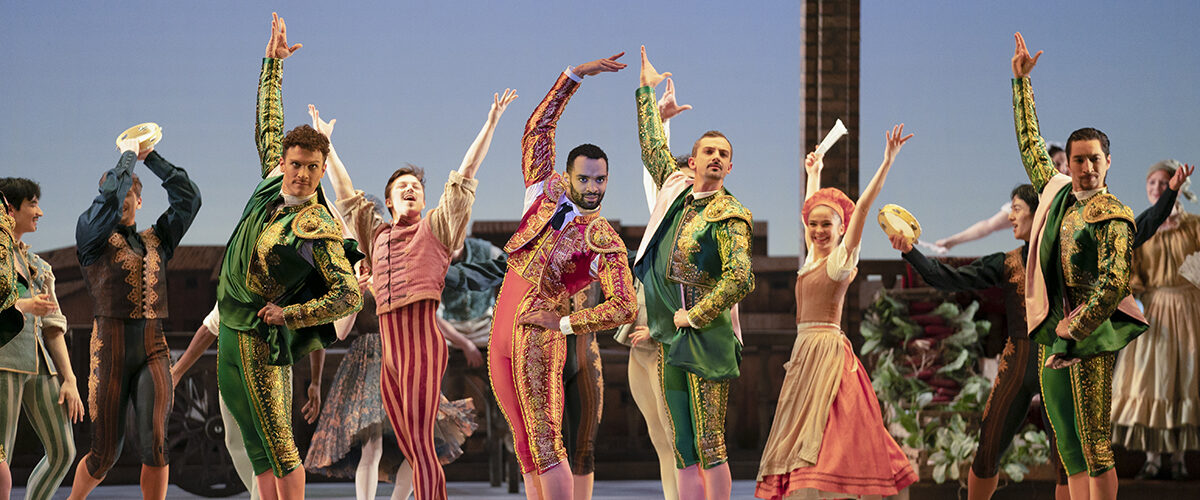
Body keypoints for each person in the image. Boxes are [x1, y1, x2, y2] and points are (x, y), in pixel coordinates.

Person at [319, 82, 514, 499]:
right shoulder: (375, 234)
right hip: (388, 352)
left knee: (422, 445)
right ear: (388, 201)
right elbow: (345, 194)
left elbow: (464, 176)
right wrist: (328, 147)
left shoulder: (436, 229)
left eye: (416, 187)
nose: (411, 189)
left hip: (422, 344)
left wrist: (491, 123)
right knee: (409, 444)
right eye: (402, 186)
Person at [216, 13, 362, 499]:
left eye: (311, 168)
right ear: (284, 162)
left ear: (322, 172)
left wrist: (291, 314)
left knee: (281, 447)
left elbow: (348, 297)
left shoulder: (316, 224)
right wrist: (272, 65)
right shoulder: (270, 182)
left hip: (262, 335)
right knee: (257, 445)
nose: (300, 174)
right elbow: (269, 121)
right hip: (232, 327)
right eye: (295, 164)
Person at [488, 52, 637, 500]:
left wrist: (567, 323)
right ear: (568, 177)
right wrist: (575, 76)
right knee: (524, 444)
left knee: (547, 444)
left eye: (601, 180)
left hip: (539, 332)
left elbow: (625, 305)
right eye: (586, 178)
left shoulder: (604, 239)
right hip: (501, 325)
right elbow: (538, 128)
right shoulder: (543, 190)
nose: (594, 188)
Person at [1011, 32, 1148, 500]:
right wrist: (1020, 84)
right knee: (1067, 444)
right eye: (1078, 160)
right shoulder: (1058, 194)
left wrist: (1076, 328)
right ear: (1067, 164)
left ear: (1108, 162)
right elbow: (1030, 144)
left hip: (1089, 337)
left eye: (1094, 159)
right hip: (1055, 333)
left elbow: (1113, 283)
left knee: (1095, 445)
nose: (1086, 167)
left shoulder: (1113, 214)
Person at [755, 126, 916, 499]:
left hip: (827, 354)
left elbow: (861, 208)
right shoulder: (811, 258)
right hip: (804, 354)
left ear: (841, 230)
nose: (818, 230)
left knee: (829, 435)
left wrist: (887, 161)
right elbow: (810, 209)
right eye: (813, 225)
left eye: (827, 225)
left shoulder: (839, 263)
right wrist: (814, 173)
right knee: (802, 436)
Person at [630, 47, 754, 500]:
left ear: (730, 165)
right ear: (694, 162)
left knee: (709, 442)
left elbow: (740, 278)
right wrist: (645, 90)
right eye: (708, 151)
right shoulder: (676, 191)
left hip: (706, 337)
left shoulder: (731, 214)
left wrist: (695, 316)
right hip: (667, 334)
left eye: (724, 153)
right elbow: (651, 147)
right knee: (683, 445)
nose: (716, 158)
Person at [69, 123, 200, 500]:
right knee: (104, 453)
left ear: (140, 201)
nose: (123, 197)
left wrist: (150, 157)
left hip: (152, 348)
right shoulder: (90, 237)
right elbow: (109, 196)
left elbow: (188, 198)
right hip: (109, 351)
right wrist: (126, 156)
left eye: (131, 192)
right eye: (118, 190)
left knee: (156, 442)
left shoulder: (157, 240)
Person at [614, 76, 693, 500]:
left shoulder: (699, 230)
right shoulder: (661, 224)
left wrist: (661, 333)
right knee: (660, 441)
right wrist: (661, 125)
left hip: (669, 342)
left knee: (679, 440)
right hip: (640, 340)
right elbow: (653, 176)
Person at [171, 302, 331, 500]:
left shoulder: (290, 276)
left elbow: (315, 328)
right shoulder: (233, 283)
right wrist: (177, 372)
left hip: (272, 369)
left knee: (268, 450)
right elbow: (210, 327)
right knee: (234, 442)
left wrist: (316, 381)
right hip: (234, 370)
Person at [1111, 159, 1200, 479]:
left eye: (1163, 183)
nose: (1157, 189)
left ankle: (1178, 460)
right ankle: (1152, 459)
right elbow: (1130, 274)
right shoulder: (1139, 229)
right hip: (1154, 311)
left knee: (1183, 380)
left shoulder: (1194, 226)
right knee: (1153, 380)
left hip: (1191, 311)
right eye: (1152, 184)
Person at [0, 179, 83, 500]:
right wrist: (22, 305)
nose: (40, 211)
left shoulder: (39, 266)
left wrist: (70, 379)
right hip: (5, 360)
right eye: (32, 204)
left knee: (63, 451)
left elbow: (52, 326)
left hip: (41, 366)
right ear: (11, 208)